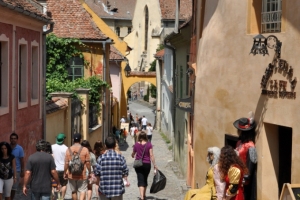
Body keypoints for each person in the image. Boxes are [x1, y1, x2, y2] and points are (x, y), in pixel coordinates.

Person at [233, 112, 257, 200]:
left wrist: (245, 178)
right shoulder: (239, 142)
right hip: (236, 175)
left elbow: (250, 165)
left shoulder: (250, 146)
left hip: (245, 181)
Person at [64, 133, 91, 200]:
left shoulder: (68, 149)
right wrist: (90, 172)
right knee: (82, 191)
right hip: (82, 174)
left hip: (71, 174)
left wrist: (65, 172)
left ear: (73, 140)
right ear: (80, 140)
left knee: (73, 191)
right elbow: (87, 163)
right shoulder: (85, 149)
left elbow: (66, 163)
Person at [131, 131, 157, 200]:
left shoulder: (136, 144)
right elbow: (151, 155)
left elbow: (133, 154)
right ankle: (144, 195)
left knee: (140, 179)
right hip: (147, 164)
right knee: (145, 179)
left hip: (138, 164)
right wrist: (154, 164)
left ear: (139, 137)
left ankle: (142, 196)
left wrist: (132, 154)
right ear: (146, 136)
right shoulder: (149, 144)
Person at [51, 133, 68, 199]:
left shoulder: (52, 147)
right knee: (64, 184)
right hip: (63, 169)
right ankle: (61, 198)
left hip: (54, 169)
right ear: (63, 140)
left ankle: (53, 196)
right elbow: (67, 160)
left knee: (53, 184)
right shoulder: (66, 148)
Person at [9, 132, 25, 200]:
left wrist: (22, 170)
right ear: (10, 139)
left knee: (14, 188)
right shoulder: (7, 147)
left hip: (17, 171)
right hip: (8, 171)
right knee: (7, 187)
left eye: (15, 138)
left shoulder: (20, 148)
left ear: (17, 139)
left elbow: (22, 160)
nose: (13, 140)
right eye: (12, 138)